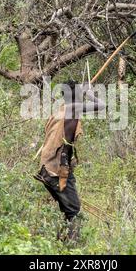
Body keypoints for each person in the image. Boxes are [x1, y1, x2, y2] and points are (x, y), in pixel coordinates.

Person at [34, 80, 105, 241]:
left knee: (67, 210)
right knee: (74, 211)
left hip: (48, 168)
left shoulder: (61, 109)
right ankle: (72, 249)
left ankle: (60, 244)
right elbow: (101, 105)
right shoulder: (73, 108)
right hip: (57, 171)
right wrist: (89, 93)